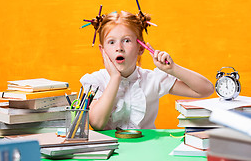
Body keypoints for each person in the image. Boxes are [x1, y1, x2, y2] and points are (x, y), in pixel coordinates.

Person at [80, 11, 214, 130]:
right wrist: (115, 78)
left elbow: (205, 90)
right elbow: (97, 123)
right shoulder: (95, 81)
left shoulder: (152, 80)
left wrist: (173, 69)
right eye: (111, 42)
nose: (119, 48)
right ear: (102, 50)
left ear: (140, 48)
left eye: (126, 41)